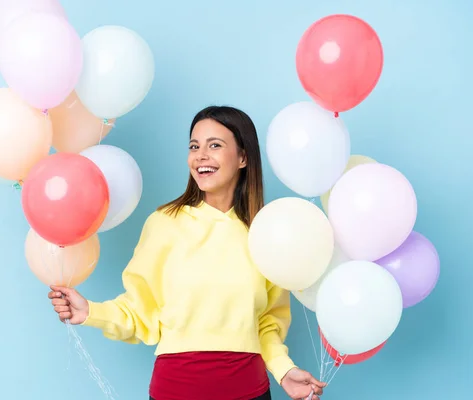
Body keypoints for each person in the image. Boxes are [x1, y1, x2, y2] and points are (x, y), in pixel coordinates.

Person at [48, 106, 326, 400]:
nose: (201, 155)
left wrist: (284, 370)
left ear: (243, 157)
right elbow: (140, 311)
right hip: (174, 391)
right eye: (194, 146)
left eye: (215, 145)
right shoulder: (164, 223)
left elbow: (268, 323)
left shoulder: (265, 234)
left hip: (249, 392)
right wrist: (90, 311)